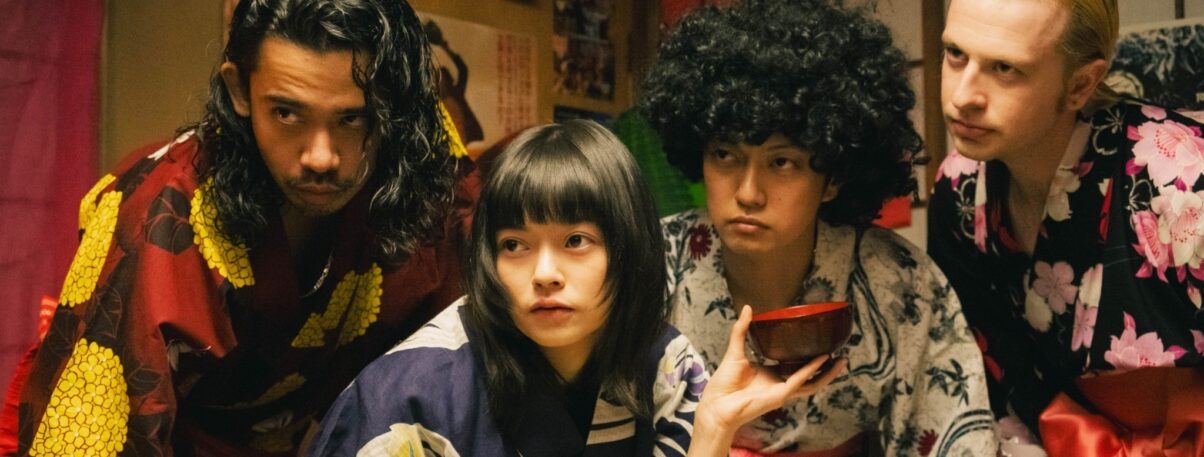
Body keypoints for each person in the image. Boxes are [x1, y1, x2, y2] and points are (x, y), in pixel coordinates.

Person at [0, 0, 476, 455]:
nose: (321, 157)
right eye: (287, 113)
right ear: (240, 91)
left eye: (352, 118)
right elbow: (91, 436)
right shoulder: (164, 216)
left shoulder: (418, 170)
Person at [305, 120, 839, 457]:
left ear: (627, 247)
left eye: (576, 240)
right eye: (514, 245)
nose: (544, 273)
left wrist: (714, 428)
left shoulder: (664, 367)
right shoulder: (412, 391)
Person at [641, 1, 998, 455]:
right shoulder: (649, 266)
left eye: (782, 162)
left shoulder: (900, 282)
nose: (748, 193)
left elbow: (956, 439)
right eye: (725, 155)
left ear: (833, 179)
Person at [927, 0, 1204, 454]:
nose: (962, 95)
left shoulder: (1182, 179)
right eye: (956, 54)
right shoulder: (959, 189)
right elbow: (984, 370)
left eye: (1004, 68)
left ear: (1080, 84)